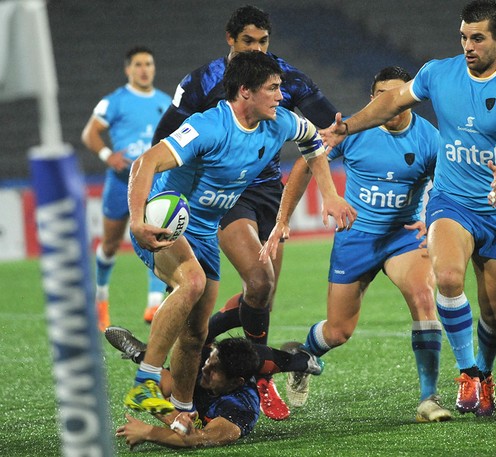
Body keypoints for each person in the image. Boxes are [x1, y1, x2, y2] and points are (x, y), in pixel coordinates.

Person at [318, 0, 496, 418]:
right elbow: (390, 103)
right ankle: (467, 373)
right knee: (445, 278)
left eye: (477, 38)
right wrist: (346, 126)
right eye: (463, 36)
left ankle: (486, 372)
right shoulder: (438, 73)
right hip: (451, 200)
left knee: (495, 314)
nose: (468, 45)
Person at [124, 51, 355, 420]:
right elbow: (145, 162)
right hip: (166, 221)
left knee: (196, 335)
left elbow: (314, 144)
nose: (281, 96)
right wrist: (137, 220)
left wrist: (329, 193)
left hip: (204, 231)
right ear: (245, 91)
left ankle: (184, 411)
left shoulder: (280, 122)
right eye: (273, 89)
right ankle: (145, 382)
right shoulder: (208, 126)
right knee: (193, 282)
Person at [260, 66, 452, 422]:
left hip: (402, 237)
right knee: (338, 331)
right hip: (356, 238)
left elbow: (447, 184)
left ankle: (429, 398)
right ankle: (302, 355)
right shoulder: (353, 130)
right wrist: (283, 218)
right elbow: (306, 164)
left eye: (398, 96)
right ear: (373, 100)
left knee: (425, 299)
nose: (391, 103)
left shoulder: (430, 138)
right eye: (382, 97)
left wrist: (434, 216)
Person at [105, 327, 322, 449]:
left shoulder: (240, 410)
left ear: (236, 381)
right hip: (186, 399)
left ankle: (143, 356)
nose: (206, 368)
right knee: (156, 386)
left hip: (197, 414)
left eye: (214, 369)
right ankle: (145, 357)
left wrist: (148, 432)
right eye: (211, 360)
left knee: (184, 421)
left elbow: (199, 439)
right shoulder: (205, 363)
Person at [81, 46, 171, 331]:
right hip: (121, 182)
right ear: (128, 70)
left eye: (148, 64)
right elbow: (90, 133)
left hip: (154, 181)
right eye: (138, 64)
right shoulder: (114, 101)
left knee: (157, 237)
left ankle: (154, 302)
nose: (144, 69)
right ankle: (101, 299)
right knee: (109, 244)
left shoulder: (166, 102)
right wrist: (109, 156)